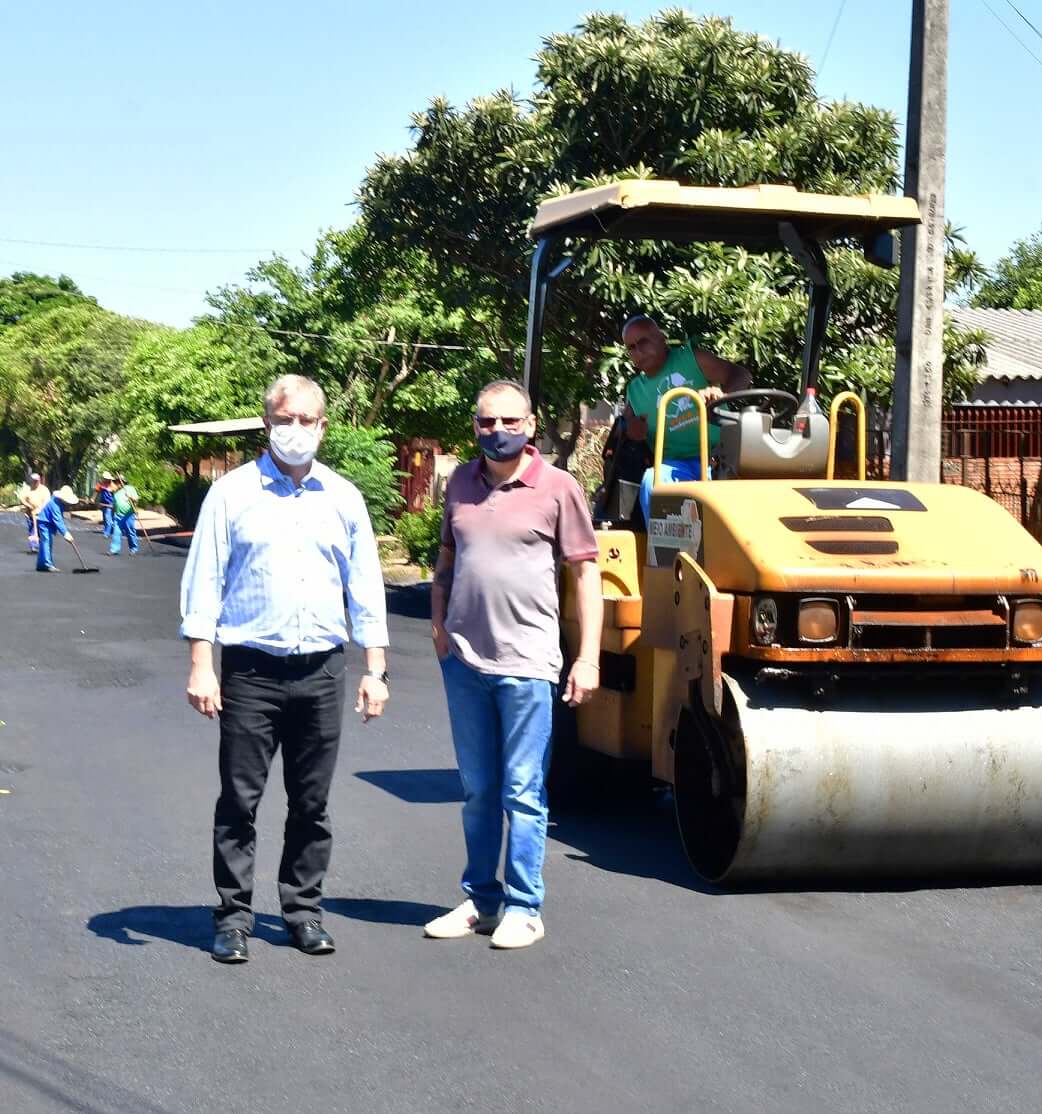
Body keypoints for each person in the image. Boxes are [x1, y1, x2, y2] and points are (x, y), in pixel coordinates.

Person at [179, 373, 389, 965]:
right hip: (251, 673)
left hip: (322, 672)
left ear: (323, 426)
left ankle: (302, 913)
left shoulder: (343, 498)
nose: (294, 429)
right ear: (266, 423)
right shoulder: (231, 494)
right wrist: (201, 665)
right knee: (239, 801)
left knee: (312, 803)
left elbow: (366, 588)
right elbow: (204, 581)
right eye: (283, 419)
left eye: (305, 420)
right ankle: (233, 918)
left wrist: (376, 670)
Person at [423, 380, 603, 951]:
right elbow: (447, 555)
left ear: (530, 425)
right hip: (464, 662)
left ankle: (525, 908)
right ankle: (480, 900)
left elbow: (586, 573)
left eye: (509, 421)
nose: (497, 431)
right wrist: (438, 623)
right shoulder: (460, 482)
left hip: (527, 663)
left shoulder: (558, 487)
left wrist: (588, 658)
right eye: (486, 422)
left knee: (523, 792)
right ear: (475, 425)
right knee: (478, 790)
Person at [612, 315, 752, 523]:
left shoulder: (693, 359)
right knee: (652, 481)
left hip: (720, 459)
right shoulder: (635, 390)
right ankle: (663, 544)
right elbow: (621, 432)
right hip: (675, 466)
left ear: (661, 338)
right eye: (631, 347)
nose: (638, 351)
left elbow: (741, 374)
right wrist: (629, 430)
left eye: (643, 342)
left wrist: (722, 395)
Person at [34, 484, 76, 572]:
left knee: (46, 543)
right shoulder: (55, 504)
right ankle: (47, 564)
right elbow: (58, 520)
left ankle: (41, 565)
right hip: (44, 523)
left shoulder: (59, 502)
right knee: (46, 541)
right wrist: (65, 533)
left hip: (47, 523)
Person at [105, 475, 140, 556]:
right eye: (116, 482)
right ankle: (114, 549)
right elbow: (114, 505)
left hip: (129, 515)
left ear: (122, 482)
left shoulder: (130, 488)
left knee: (130, 531)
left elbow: (136, 499)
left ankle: (133, 548)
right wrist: (113, 514)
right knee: (116, 532)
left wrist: (130, 497)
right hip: (118, 515)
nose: (117, 483)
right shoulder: (116, 493)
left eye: (118, 482)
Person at [20, 473, 50, 553]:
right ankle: (34, 546)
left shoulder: (44, 490)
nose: (35, 482)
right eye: (33, 480)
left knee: (41, 529)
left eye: (36, 480)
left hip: (42, 513)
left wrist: (41, 509)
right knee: (32, 528)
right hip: (30, 513)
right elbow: (22, 499)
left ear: (39, 480)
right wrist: (29, 505)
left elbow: (47, 500)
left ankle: (40, 544)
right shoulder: (27, 490)